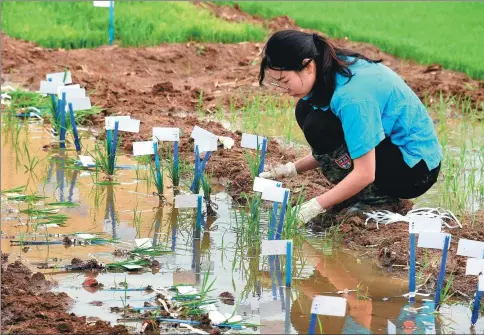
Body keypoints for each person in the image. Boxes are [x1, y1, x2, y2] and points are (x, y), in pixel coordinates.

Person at [258, 30, 442, 225]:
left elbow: (365, 171)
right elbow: (342, 146)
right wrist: (291, 169)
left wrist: (314, 206)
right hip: (390, 151)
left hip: (414, 171)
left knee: (318, 125)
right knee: (306, 109)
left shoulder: (352, 97)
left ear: (308, 65)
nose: (283, 89)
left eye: (284, 81)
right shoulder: (329, 66)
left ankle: (378, 200)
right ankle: (357, 192)